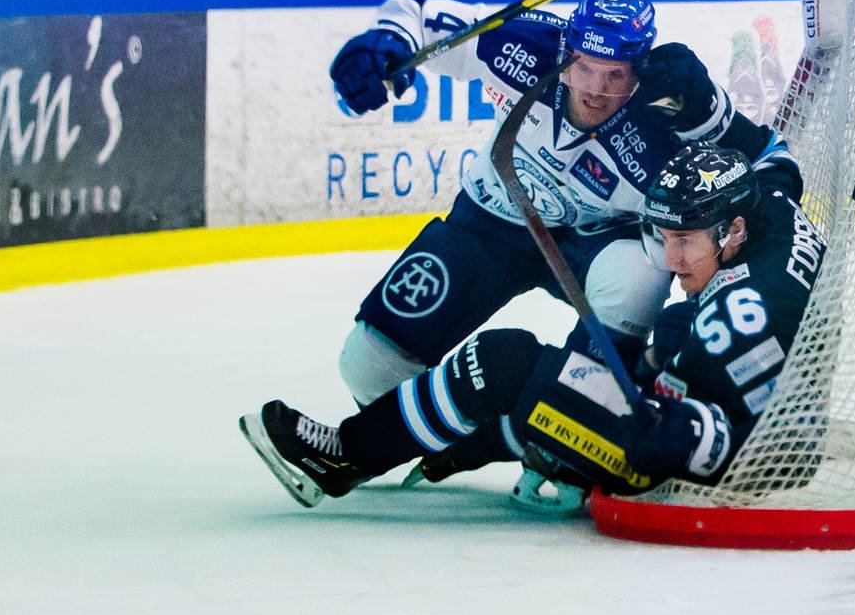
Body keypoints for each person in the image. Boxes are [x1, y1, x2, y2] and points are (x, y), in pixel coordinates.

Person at [312, 0, 798, 507]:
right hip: (491, 223)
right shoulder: (524, 44)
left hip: (593, 242)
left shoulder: (666, 106)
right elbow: (417, 13)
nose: (597, 90)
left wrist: (707, 115)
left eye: (616, 76)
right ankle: (484, 433)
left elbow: (771, 161)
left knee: (638, 270)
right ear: (565, 50)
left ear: (640, 69)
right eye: (585, 68)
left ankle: (571, 427)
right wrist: (384, 45)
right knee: (366, 367)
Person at [239, 144, 823, 509]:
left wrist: (634, 393)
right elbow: (780, 161)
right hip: (734, 405)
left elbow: (718, 431)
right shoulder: (765, 198)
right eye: (665, 238)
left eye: (685, 242)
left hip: (697, 455)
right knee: (572, 374)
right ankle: (475, 444)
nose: (671, 261)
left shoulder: (739, 317)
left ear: (733, 231)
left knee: (504, 363)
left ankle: (346, 457)